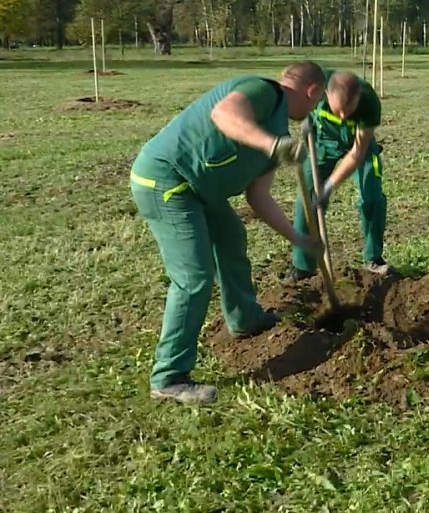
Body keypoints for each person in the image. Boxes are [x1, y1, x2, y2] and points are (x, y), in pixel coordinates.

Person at [129, 61, 328, 405]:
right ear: (313, 92)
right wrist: (273, 144)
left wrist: (299, 239)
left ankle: (245, 318)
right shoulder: (263, 92)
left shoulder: (278, 126)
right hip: (167, 181)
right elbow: (224, 114)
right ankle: (169, 377)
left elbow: (258, 197)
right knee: (193, 277)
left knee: (232, 238)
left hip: (201, 191)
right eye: (318, 100)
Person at [286, 70, 391, 281]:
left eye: (349, 109)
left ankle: (373, 258)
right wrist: (306, 123)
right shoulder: (313, 84)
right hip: (323, 143)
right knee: (306, 199)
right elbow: (289, 98)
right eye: (338, 110)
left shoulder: (369, 102)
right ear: (324, 93)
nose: (343, 116)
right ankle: (303, 267)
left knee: (372, 196)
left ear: (358, 97)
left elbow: (357, 154)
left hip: (359, 146)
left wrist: (329, 186)